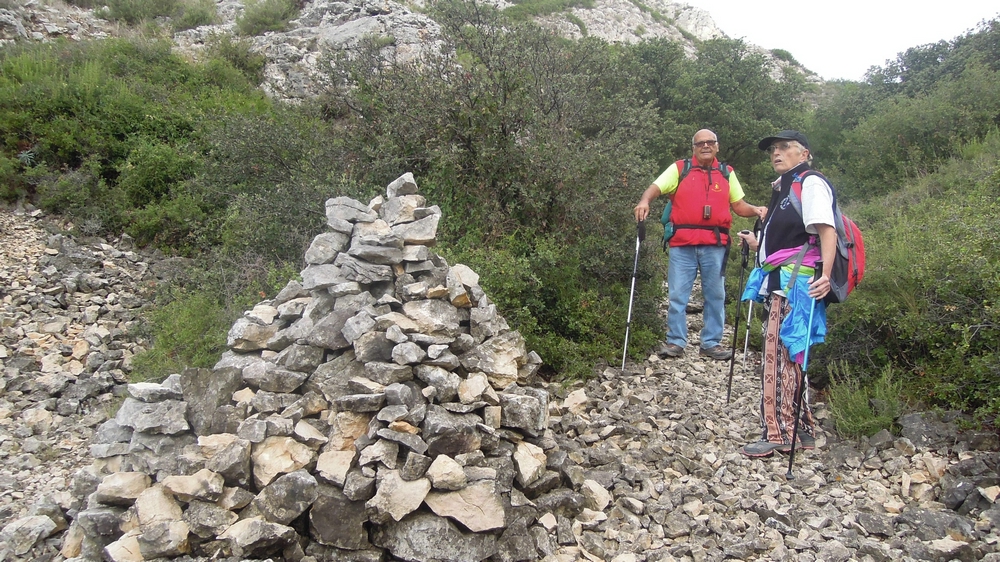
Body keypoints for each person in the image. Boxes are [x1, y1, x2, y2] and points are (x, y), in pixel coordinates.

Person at [736, 130, 837, 457]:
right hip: (786, 280)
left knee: (776, 357)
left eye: (784, 148)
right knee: (792, 358)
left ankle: (778, 432)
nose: (776, 153)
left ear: (803, 152)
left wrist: (825, 275)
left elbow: (826, 230)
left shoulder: (809, 183)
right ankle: (801, 429)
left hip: (794, 285)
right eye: (773, 150)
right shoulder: (786, 188)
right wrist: (757, 245)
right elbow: (788, 239)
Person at [634, 129, 766, 360]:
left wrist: (755, 210)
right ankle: (675, 341)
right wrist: (645, 201)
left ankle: (711, 343)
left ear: (717, 146)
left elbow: (738, 205)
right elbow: (655, 187)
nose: (705, 146)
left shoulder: (726, 173)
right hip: (682, 243)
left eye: (710, 142)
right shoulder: (679, 168)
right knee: (677, 294)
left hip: (714, 244)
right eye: (700, 143)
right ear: (693, 147)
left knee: (715, 294)